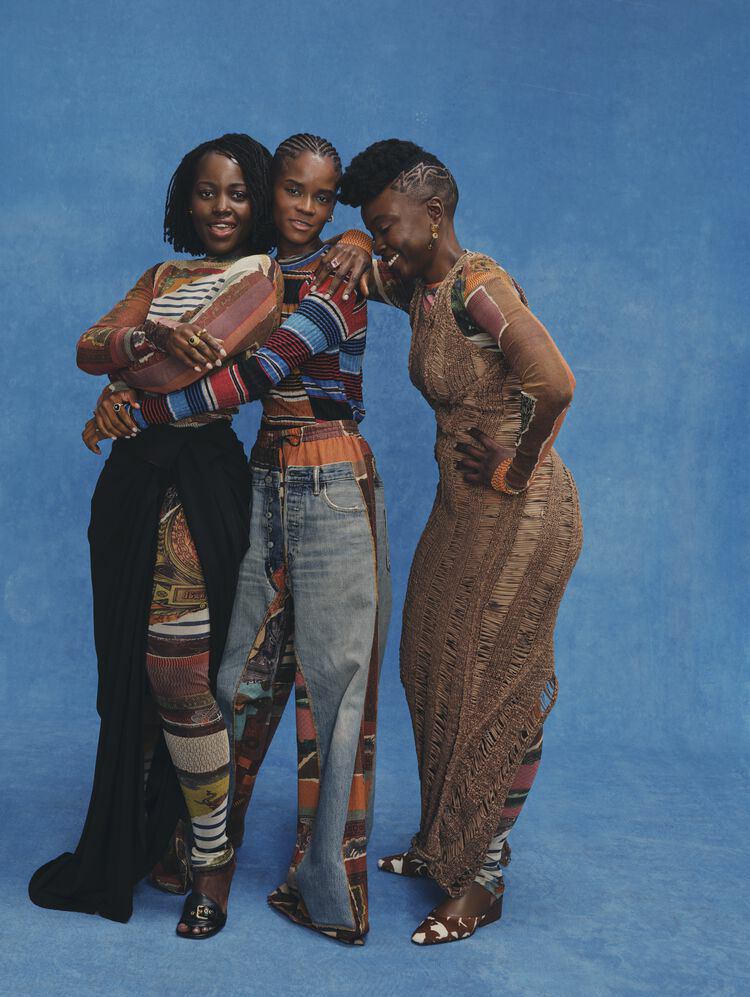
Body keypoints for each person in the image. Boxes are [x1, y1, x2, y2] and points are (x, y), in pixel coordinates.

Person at [114, 134, 391, 944]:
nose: (308, 207)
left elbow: (253, 374)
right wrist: (124, 386)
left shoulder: (341, 275)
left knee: (338, 690)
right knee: (234, 678)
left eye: (325, 197)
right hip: (265, 478)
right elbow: (172, 352)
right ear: (271, 191)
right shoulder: (253, 274)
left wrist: (140, 412)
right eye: (294, 190)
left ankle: (329, 893)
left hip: (332, 479)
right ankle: (197, 851)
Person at [314, 139, 583, 944]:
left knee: (495, 687)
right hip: (461, 510)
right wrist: (356, 237)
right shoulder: (423, 286)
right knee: (430, 666)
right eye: (376, 226)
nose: (383, 240)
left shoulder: (479, 288)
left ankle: (483, 876)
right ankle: (446, 842)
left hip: (522, 513)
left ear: (434, 214)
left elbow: (554, 382)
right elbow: (368, 274)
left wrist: (516, 465)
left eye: (389, 224)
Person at [28, 134, 284, 935]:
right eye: (207, 192)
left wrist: (126, 383)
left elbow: (191, 374)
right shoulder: (162, 277)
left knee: (179, 677)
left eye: (238, 192)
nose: (221, 207)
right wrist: (142, 344)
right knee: (131, 679)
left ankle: (212, 861)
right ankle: (150, 836)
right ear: (185, 200)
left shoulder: (262, 277)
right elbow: (88, 346)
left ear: (260, 200)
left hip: (199, 481)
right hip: (132, 486)